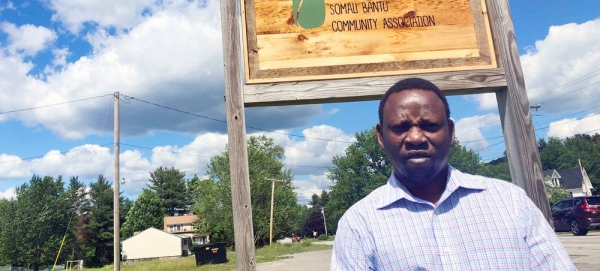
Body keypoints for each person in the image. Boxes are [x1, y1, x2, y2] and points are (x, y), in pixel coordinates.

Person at [331, 78, 576, 270]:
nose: (416, 137)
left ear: (450, 132)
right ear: (381, 137)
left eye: (429, 125)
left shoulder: (511, 202)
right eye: (401, 127)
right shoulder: (359, 225)